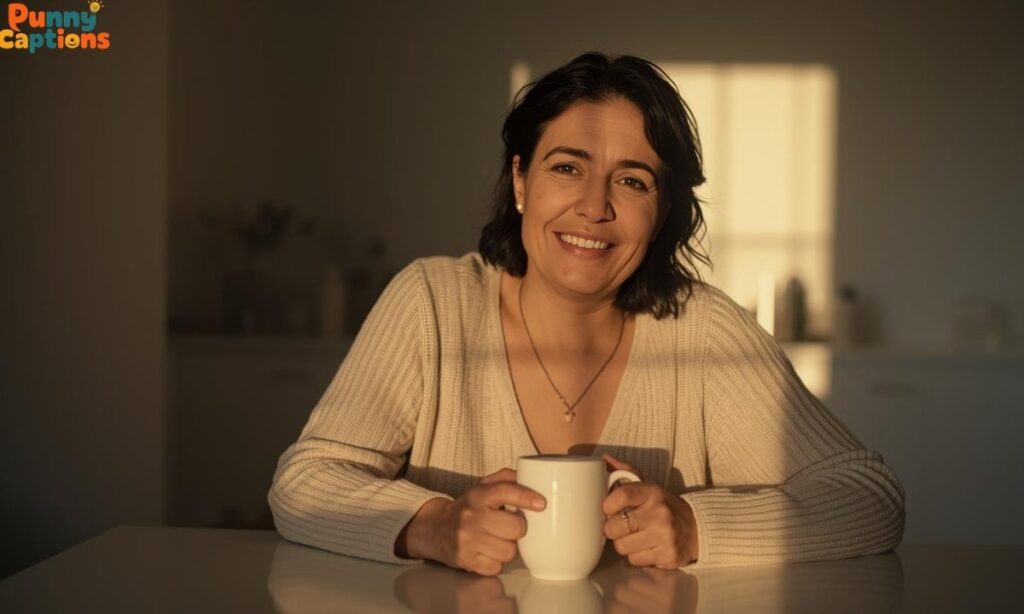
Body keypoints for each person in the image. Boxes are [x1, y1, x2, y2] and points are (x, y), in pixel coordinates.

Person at [268, 52, 905, 576]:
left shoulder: (705, 333)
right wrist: (434, 525)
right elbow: (304, 481)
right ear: (520, 182)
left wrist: (693, 527)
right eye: (567, 168)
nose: (594, 207)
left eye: (632, 181)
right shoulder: (432, 303)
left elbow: (870, 500)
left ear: (662, 214)